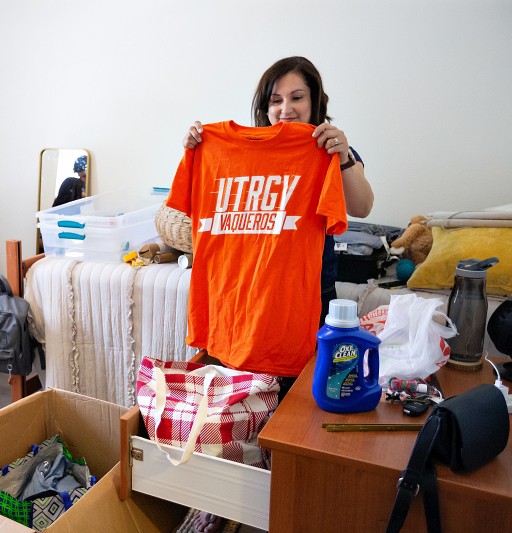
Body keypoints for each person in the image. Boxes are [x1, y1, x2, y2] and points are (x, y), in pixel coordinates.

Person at [180, 56, 374, 533]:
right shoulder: (227, 150)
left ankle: (283, 507)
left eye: (296, 98)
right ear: (263, 107)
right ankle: (224, 506)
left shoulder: (327, 149)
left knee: (290, 420)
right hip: (239, 305)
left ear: (316, 102)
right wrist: (195, 149)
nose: (285, 109)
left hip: (302, 301)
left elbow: (363, 204)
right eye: (275, 100)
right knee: (236, 414)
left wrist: (343, 154)